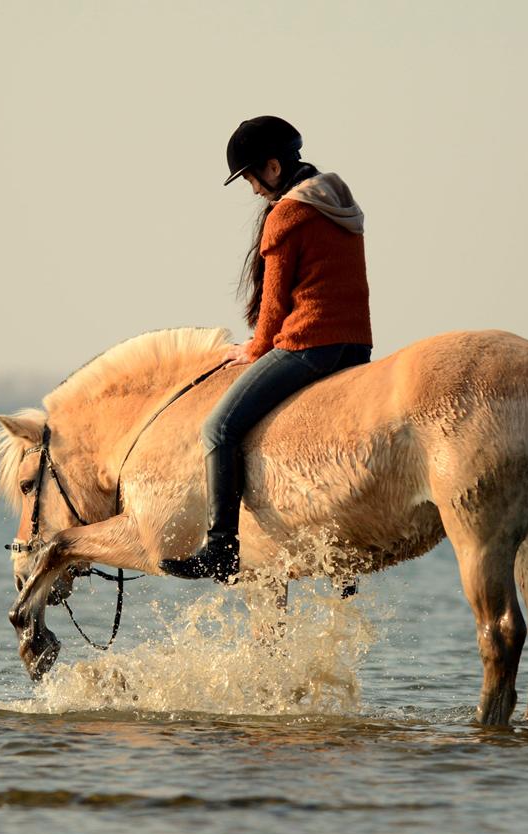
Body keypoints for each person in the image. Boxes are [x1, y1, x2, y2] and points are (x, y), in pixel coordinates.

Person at [159, 116, 373, 583]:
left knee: (219, 428)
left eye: (252, 178)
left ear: (272, 168)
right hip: (355, 346)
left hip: (310, 344)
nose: (253, 190)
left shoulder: (287, 214)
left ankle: (220, 548)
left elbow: (274, 308)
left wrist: (252, 350)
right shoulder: (338, 201)